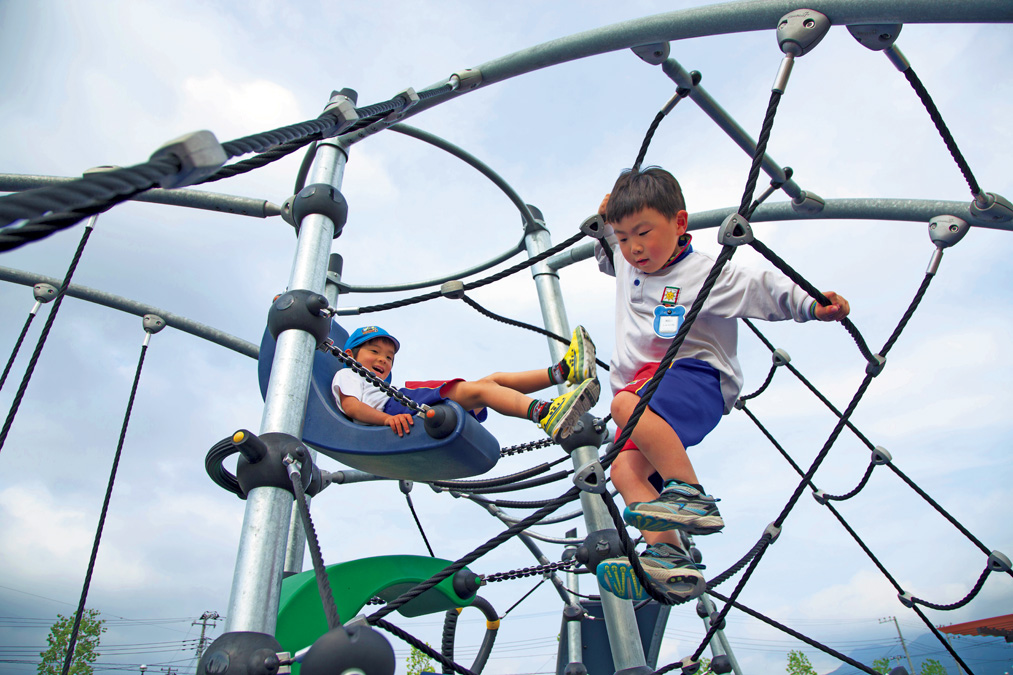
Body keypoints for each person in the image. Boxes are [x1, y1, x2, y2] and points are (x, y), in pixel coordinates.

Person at [592, 167, 851, 601]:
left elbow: (763, 288)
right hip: (649, 392)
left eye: (644, 232)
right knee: (622, 470)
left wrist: (812, 303)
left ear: (679, 223)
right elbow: (606, 253)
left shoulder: (705, 274)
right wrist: (603, 226)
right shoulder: (625, 259)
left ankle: (690, 494)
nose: (634, 247)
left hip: (696, 377)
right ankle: (672, 558)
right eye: (623, 236)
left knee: (623, 405)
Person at [332, 325, 601, 441]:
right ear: (350, 355)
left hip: (402, 401)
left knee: (491, 381)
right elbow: (352, 407)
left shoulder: (382, 387)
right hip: (396, 410)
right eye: (374, 352)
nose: (383, 360)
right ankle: (544, 412)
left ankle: (563, 371)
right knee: (481, 390)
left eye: (389, 357)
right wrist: (384, 420)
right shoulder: (349, 374)